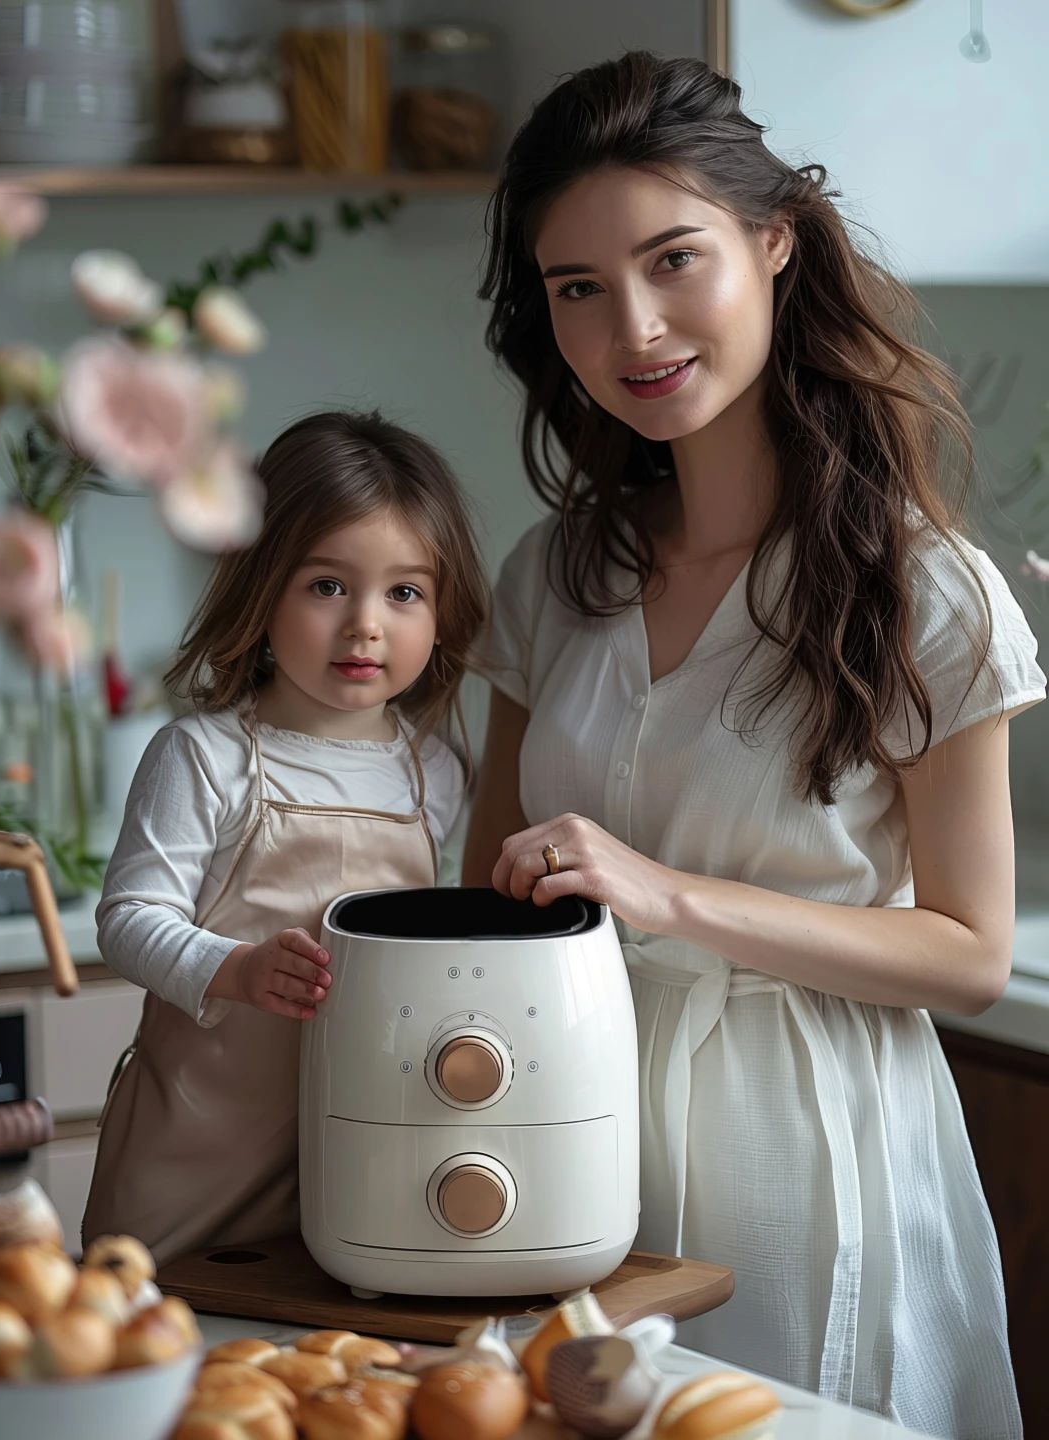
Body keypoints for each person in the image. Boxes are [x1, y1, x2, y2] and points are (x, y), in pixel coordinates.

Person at [464, 52, 1041, 1440]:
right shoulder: (555, 575)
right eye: (579, 290)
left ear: (773, 243)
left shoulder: (926, 589)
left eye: (676, 261)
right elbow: (490, 883)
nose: (636, 328)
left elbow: (967, 951)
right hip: (572, 1135)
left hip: (812, 1152)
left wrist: (667, 897)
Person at [84, 410, 489, 1267]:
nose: (366, 624)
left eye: (404, 592)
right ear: (261, 585)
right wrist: (236, 968)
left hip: (356, 1145)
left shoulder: (437, 774)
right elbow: (127, 919)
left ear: (444, 612)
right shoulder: (204, 754)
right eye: (327, 585)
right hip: (199, 1147)